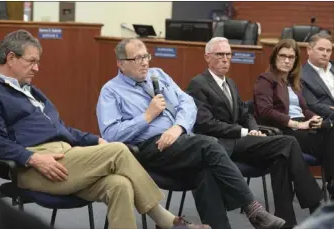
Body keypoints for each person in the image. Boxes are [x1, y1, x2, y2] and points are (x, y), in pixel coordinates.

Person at [0, 30, 209, 229]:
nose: (37, 67)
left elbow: (62, 129)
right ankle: (167, 221)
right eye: (31, 61)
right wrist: (32, 158)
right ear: (11, 58)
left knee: (119, 185)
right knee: (119, 150)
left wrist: (96, 140)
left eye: (38, 61)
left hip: (66, 155)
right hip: (36, 165)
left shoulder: (31, 92)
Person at [96, 37, 286, 229]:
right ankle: (253, 210)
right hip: (148, 148)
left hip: (180, 140)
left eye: (146, 56)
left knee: (206, 171)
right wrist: (146, 116)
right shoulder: (111, 91)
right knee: (210, 145)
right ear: (120, 63)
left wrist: (178, 127)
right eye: (137, 58)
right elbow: (111, 134)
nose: (145, 62)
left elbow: (187, 103)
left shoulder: (158, 74)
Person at [185, 37, 323, 229]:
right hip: (221, 144)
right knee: (288, 142)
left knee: (281, 157)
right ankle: (316, 205)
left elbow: (245, 112)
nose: (225, 59)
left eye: (228, 55)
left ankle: (286, 222)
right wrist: (243, 131)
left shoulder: (230, 83)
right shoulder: (198, 84)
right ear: (207, 57)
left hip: (243, 140)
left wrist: (255, 130)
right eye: (220, 55)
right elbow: (206, 124)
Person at [253, 38, 334, 202]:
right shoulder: (266, 80)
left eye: (291, 57)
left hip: (303, 129)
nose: (287, 60)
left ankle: (327, 188)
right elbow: (266, 111)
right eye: (283, 56)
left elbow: (305, 109)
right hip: (284, 129)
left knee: (329, 130)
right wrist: (297, 123)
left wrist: (314, 118)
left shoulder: (292, 82)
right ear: (274, 57)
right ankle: (326, 190)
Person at [301, 33, 334, 121]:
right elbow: (313, 105)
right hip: (326, 121)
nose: (325, 54)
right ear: (309, 50)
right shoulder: (301, 75)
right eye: (321, 49)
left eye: (328, 50)